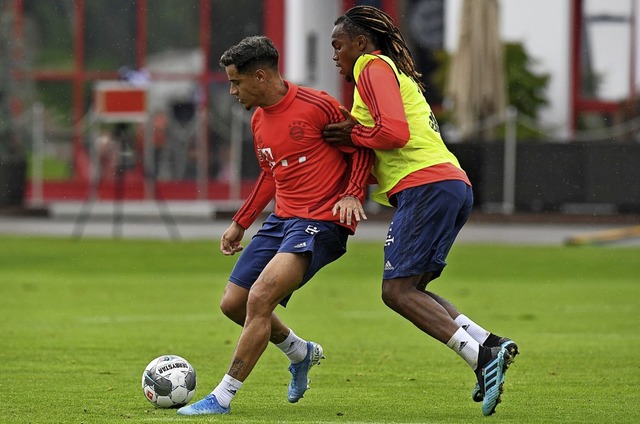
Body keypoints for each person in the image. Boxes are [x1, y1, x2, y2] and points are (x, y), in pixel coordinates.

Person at [323, 6, 519, 416]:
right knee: (414, 290)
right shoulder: (387, 74)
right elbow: (378, 146)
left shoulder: (370, 66)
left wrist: (352, 133)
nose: (335, 55)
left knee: (396, 292)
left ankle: (481, 360)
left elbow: (393, 134)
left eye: (337, 45)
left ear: (360, 43)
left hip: (426, 186)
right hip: (448, 184)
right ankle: (489, 343)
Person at [177, 35, 373, 416]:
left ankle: (221, 398)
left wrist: (352, 193)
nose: (232, 91)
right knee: (233, 304)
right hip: (281, 220)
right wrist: (241, 222)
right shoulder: (257, 120)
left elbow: (360, 148)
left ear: (262, 77)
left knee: (260, 298)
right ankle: (300, 352)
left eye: (236, 82)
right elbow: (270, 174)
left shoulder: (318, 105)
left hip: (319, 221)